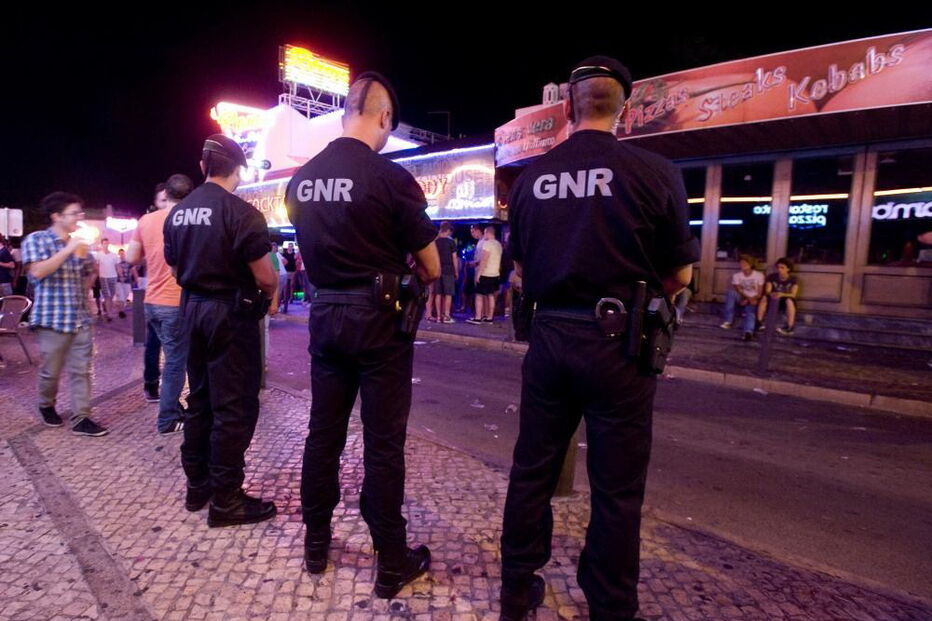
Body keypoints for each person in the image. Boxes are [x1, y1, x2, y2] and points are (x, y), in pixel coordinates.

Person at [499, 56, 698, 621]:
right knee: (616, 488)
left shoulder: (531, 178)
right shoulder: (655, 172)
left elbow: (520, 269)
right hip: (620, 346)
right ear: (625, 110)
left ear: (568, 106)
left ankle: (516, 588)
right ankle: (610, 605)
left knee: (533, 468)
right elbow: (680, 275)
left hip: (549, 336)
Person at [285, 71, 440, 597]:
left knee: (323, 434)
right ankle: (391, 560)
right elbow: (431, 266)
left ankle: (316, 544)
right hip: (378, 321)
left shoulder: (301, 180)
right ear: (384, 118)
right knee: (383, 443)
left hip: (326, 315)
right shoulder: (390, 177)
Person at [163, 134, 279, 527]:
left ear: (203, 166)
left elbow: (176, 270)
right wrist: (269, 295)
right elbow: (265, 277)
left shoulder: (178, 214)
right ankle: (227, 499)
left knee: (200, 399)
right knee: (234, 406)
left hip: (191, 309)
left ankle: (198, 486)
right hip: (229, 313)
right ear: (239, 170)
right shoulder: (242, 213)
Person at [22, 192, 110, 436]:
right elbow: (37, 272)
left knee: (82, 370)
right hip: (52, 318)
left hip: (80, 317)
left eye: (80, 213)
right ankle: (46, 404)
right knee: (51, 370)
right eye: (74, 213)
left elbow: (89, 272)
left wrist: (88, 278)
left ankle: (81, 417)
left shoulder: (79, 243)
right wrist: (67, 249)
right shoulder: (37, 240)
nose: (79, 217)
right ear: (56, 216)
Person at [127, 173, 194, 434]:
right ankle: (168, 419)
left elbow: (132, 257)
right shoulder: (187, 219)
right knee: (176, 362)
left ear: (166, 193)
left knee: (170, 356)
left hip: (152, 301)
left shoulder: (146, 220)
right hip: (175, 301)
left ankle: (173, 405)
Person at [720, 254, 764, 341]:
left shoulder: (759, 275)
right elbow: (739, 290)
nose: (742, 265)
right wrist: (746, 299)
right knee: (731, 293)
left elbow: (759, 293)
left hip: (754, 298)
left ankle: (748, 332)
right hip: (743, 297)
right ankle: (728, 321)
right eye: (741, 263)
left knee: (750, 311)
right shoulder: (737, 276)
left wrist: (750, 300)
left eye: (745, 263)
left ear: (751, 264)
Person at [469, 225, 503, 324]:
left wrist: (478, 274)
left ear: (488, 233)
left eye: (485, 233)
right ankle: (489, 317)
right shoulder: (498, 244)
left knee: (479, 295)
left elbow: (484, 260)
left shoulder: (487, 244)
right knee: (490, 295)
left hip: (485, 273)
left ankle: (478, 317)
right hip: (495, 273)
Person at [757, 257, 799, 335]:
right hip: (773, 299)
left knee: (789, 301)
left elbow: (793, 294)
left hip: (784, 301)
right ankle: (759, 323)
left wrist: (782, 294)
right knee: (764, 297)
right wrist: (772, 294)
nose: (779, 269)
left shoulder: (793, 279)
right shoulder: (772, 277)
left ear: (788, 269)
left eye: (782, 268)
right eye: (778, 267)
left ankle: (790, 327)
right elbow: (768, 291)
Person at [431, 221, 459, 323]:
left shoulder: (435, 242)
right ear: (447, 230)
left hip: (438, 269)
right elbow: (454, 258)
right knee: (448, 294)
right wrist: (456, 271)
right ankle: (446, 316)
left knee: (438, 294)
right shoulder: (451, 242)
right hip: (448, 270)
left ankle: (438, 317)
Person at [95, 238, 120, 321]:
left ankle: (107, 307)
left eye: (107, 243)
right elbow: (96, 266)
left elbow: (117, 266)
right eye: (104, 243)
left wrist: (120, 274)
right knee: (107, 295)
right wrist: (97, 275)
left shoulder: (114, 255)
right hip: (103, 277)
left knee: (111, 295)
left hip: (113, 276)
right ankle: (109, 313)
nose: (106, 245)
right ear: (102, 244)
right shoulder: (98, 255)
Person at [281, 242, 298, 312]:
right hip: (286, 271)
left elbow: (296, 263)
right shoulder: (284, 254)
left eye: (291, 246)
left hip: (293, 271)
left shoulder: (294, 254)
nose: (290, 247)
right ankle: (285, 298)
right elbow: (282, 262)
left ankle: (291, 298)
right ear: (288, 247)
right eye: (289, 246)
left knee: (292, 285)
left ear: (292, 247)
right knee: (285, 286)